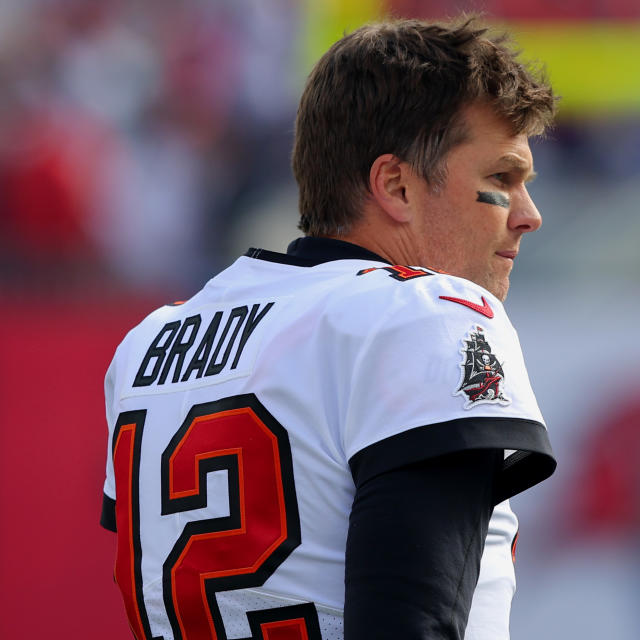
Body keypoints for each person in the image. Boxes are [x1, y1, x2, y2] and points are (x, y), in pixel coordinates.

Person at [100, 16, 557, 640]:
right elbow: (412, 619)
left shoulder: (151, 343)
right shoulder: (426, 314)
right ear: (395, 185)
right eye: (501, 179)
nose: (529, 215)